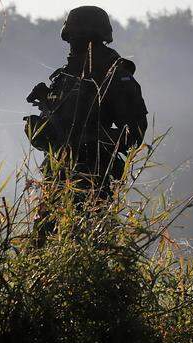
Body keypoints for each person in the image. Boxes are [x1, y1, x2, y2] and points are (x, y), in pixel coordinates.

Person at [23, 6, 148, 243]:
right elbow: (55, 130)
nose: (73, 45)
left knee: (87, 246)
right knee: (42, 249)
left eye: (78, 38)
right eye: (71, 38)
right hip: (57, 177)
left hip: (92, 182)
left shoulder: (115, 75)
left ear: (93, 38)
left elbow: (134, 131)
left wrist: (90, 142)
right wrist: (43, 122)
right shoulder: (65, 75)